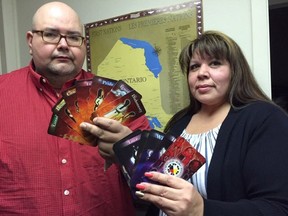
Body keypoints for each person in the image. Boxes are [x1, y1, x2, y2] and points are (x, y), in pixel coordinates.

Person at [0, 2, 150, 215]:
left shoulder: (116, 98)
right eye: (50, 34)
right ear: (30, 41)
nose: (63, 44)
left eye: (73, 37)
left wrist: (129, 151)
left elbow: (156, 175)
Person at [129, 31, 288, 215]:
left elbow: (278, 208)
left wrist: (201, 209)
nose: (201, 73)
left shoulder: (265, 119)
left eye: (215, 63)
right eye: (194, 67)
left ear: (235, 71)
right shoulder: (178, 124)